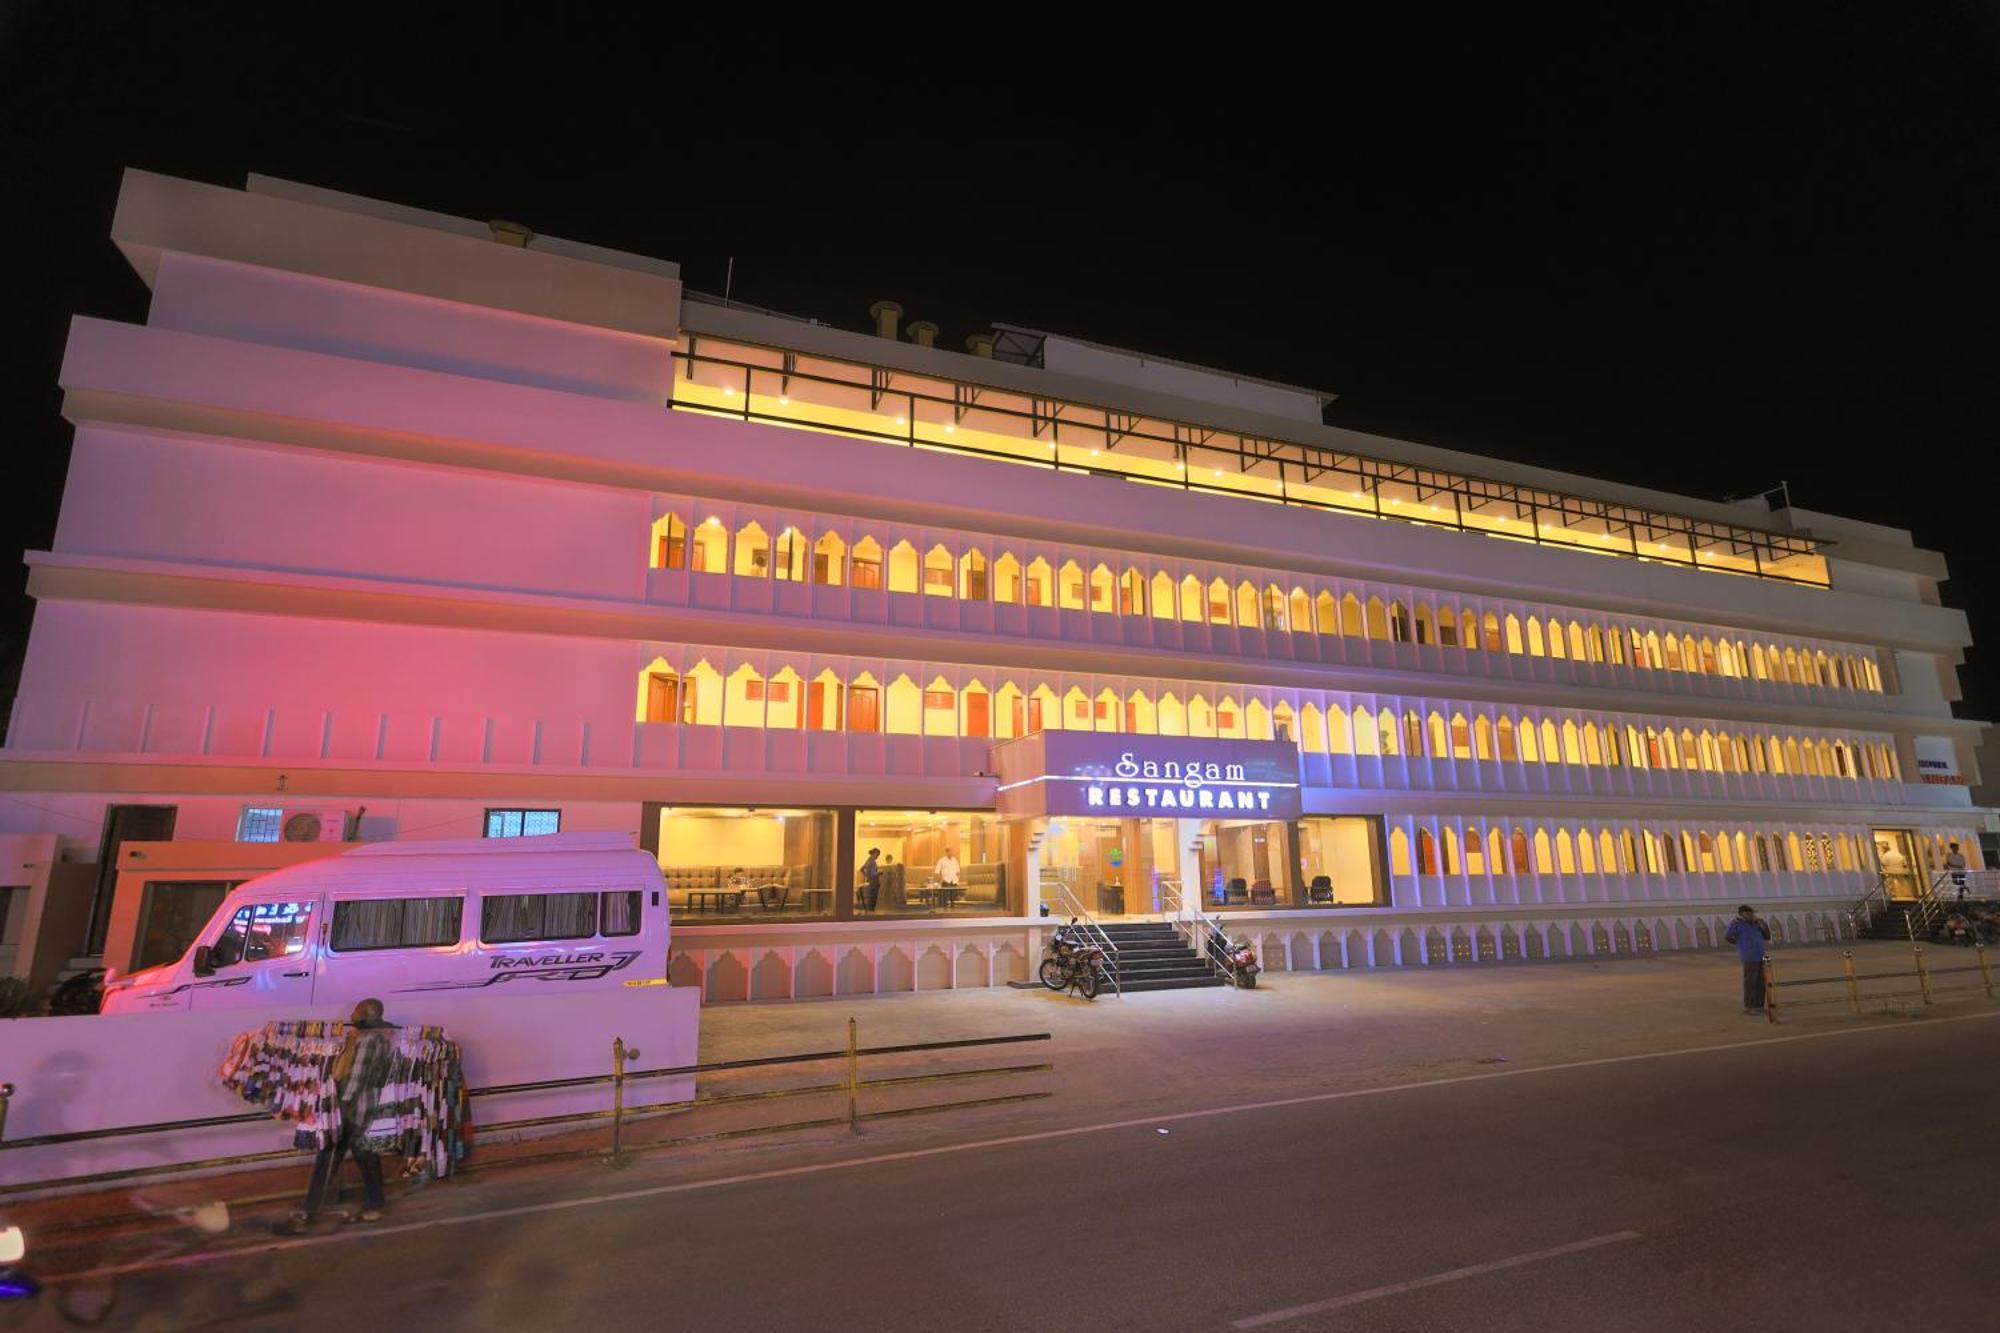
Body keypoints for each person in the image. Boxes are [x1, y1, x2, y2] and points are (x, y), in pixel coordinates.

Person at [280, 998, 397, 1232]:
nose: (351, 1014)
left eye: (355, 1011)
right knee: (365, 1156)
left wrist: (338, 1108)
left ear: (364, 1015)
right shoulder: (381, 1038)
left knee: (329, 1156)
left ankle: (312, 1208)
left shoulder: (367, 1040)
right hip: (365, 1109)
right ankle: (374, 1203)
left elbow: (356, 1079)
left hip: (353, 1110)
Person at [1725, 905, 1770, 1014]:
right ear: (1743, 914)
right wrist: (1740, 945)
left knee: (1761, 982)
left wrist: (1763, 925)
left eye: (1752, 913)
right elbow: (1728, 936)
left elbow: (1767, 936)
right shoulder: (1736, 924)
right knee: (1751, 982)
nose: (1752, 915)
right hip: (1749, 957)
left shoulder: (1757, 924)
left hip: (1760, 955)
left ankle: (1759, 1006)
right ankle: (1750, 1006)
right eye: (1749, 913)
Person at [859, 848, 881, 912]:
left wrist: (867, 876)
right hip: (874, 882)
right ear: (874, 853)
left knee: (870, 898)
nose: (877, 857)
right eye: (877, 855)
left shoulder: (868, 860)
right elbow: (873, 874)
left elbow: (861, 869)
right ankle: (871, 913)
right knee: (873, 899)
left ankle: (870, 912)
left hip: (870, 882)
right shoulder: (872, 862)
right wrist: (879, 873)